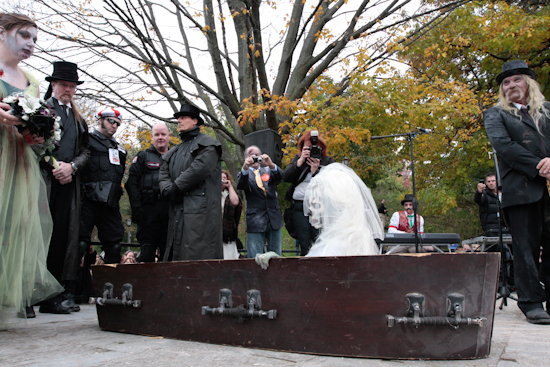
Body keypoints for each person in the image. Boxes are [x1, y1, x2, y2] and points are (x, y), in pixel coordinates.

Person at [0, 13, 63, 323]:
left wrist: (37, 134)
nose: (31, 43)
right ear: (2, 32)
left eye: (35, 39)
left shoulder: (34, 83)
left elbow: (31, 130)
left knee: (14, 229)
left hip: (19, 163)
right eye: (24, 35)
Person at [484, 60, 550, 324]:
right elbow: (504, 146)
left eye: (516, 80)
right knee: (526, 249)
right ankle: (531, 302)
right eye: (506, 83)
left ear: (529, 83)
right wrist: (538, 166)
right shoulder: (496, 114)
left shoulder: (546, 111)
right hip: (521, 191)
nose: (511, 85)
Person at [255, 163, 382, 269]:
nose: (312, 217)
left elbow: (306, 280)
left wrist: (278, 267)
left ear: (333, 205)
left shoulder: (330, 249)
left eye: (317, 205)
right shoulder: (358, 240)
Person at [41, 60, 90, 314]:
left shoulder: (79, 119)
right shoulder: (42, 109)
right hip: (46, 180)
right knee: (39, 235)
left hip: (70, 183)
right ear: (53, 84)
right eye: (63, 85)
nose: (67, 90)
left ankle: (53, 295)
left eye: (71, 86)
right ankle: (30, 296)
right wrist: (56, 166)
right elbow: (35, 144)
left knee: (62, 236)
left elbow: (85, 151)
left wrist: (72, 168)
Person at [158, 104, 223, 261]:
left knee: (198, 258)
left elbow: (198, 169)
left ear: (195, 121)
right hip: (177, 212)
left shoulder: (209, 145)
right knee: (176, 258)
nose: (179, 121)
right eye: (178, 118)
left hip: (201, 216)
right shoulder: (174, 152)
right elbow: (163, 172)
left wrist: (176, 187)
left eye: (183, 117)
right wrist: (167, 189)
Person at [79, 107, 127, 267]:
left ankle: (109, 285)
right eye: (111, 121)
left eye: (118, 124)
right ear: (100, 120)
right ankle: (75, 287)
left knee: (114, 246)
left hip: (110, 202)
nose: (114, 126)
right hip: (88, 200)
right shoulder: (86, 140)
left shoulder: (119, 149)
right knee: (81, 244)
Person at [282, 130, 335, 255]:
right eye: (307, 148)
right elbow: (285, 177)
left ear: (321, 147)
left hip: (319, 207)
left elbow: (331, 185)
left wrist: (315, 171)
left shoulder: (327, 161)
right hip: (299, 207)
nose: (311, 151)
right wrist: (300, 161)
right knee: (304, 243)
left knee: (318, 240)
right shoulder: (299, 160)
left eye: (314, 148)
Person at [126, 123, 171, 262]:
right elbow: (131, 184)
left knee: (168, 256)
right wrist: (137, 209)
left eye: (163, 134)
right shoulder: (142, 157)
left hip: (169, 212)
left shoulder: (175, 157)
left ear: (169, 136)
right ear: (151, 137)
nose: (160, 137)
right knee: (147, 254)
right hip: (148, 212)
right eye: (157, 134)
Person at [237, 145, 283, 259]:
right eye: (250, 155)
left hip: (273, 218)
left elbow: (280, 177)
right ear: (246, 158)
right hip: (255, 220)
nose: (254, 157)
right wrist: (245, 167)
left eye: (257, 155)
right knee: (254, 257)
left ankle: (276, 276)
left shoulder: (268, 170)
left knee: (276, 255)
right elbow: (241, 185)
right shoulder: (244, 173)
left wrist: (271, 164)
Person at [221, 170, 242, 260]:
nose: (222, 180)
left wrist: (229, 186)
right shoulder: (212, 194)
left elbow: (235, 202)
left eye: (224, 178)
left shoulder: (228, 195)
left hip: (227, 231)